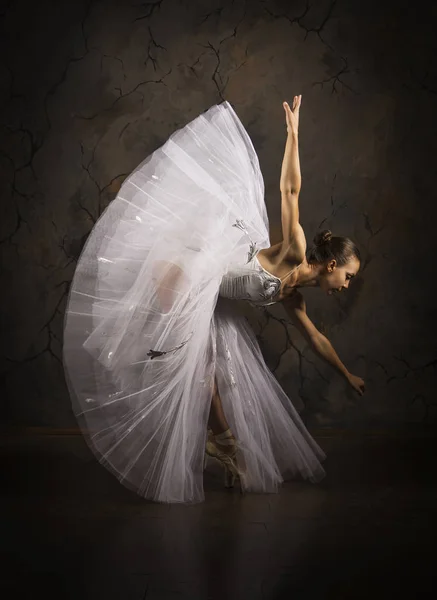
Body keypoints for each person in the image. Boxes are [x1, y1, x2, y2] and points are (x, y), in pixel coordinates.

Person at [63, 95, 365, 504]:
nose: (348, 285)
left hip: (207, 298)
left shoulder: (292, 297)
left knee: (204, 373)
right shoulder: (291, 252)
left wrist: (346, 373)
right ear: (330, 265)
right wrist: (293, 135)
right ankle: (185, 389)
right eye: (348, 276)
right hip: (189, 269)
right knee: (179, 357)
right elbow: (290, 190)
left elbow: (316, 339)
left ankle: (221, 441)